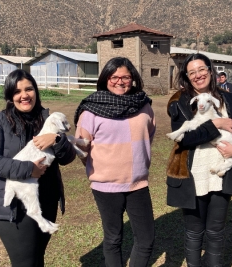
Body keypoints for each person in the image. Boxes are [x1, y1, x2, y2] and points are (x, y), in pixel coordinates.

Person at [0, 69, 76, 267]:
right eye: (17, 91)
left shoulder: (48, 120)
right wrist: (28, 169)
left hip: (45, 202)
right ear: (9, 96)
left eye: (29, 89)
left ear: (36, 91)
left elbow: (67, 158)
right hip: (15, 208)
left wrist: (57, 140)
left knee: (36, 259)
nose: (24, 95)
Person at [166, 53, 232, 267]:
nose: (198, 75)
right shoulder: (179, 102)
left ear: (210, 70)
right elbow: (185, 138)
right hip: (193, 175)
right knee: (194, 232)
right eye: (192, 72)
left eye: (202, 69)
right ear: (187, 77)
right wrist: (216, 125)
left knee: (216, 231)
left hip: (221, 174)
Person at [74, 57, 156, 267]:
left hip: (138, 184)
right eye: (114, 77)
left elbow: (149, 134)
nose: (120, 81)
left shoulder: (144, 105)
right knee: (113, 239)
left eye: (125, 77)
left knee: (146, 239)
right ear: (105, 79)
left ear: (133, 79)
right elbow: (81, 147)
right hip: (106, 186)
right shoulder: (91, 109)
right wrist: (101, 168)